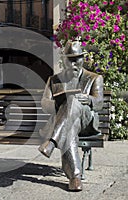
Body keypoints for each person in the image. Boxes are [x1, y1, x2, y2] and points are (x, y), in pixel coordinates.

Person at [38, 41, 104, 191]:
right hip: (66, 124)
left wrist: (88, 99)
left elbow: (99, 102)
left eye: (77, 59)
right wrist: (59, 105)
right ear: (64, 60)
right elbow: (44, 103)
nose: (74, 63)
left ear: (83, 59)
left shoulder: (94, 78)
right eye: (70, 59)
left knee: (73, 100)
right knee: (69, 126)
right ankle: (75, 178)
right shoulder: (53, 80)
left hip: (86, 123)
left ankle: (52, 142)